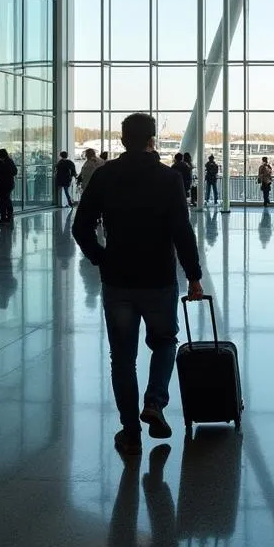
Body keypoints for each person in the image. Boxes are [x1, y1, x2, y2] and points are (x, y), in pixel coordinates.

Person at [72, 112, 203, 456]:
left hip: (118, 280)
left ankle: (130, 433)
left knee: (122, 359)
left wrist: (100, 257)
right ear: (151, 140)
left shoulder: (105, 175)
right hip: (158, 278)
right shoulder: (169, 178)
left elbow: (80, 226)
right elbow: (182, 232)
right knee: (164, 342)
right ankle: (155, 402)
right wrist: (193, 275)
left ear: (121, 138)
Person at [0, 148, 18, 225]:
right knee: (6, 200)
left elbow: (13, 172)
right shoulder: (8, 162)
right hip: (6, 184)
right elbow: (14, 171)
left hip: (3, 184)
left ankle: (5, 217)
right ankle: (8, 216)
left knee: (2, 201)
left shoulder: (2, 163)